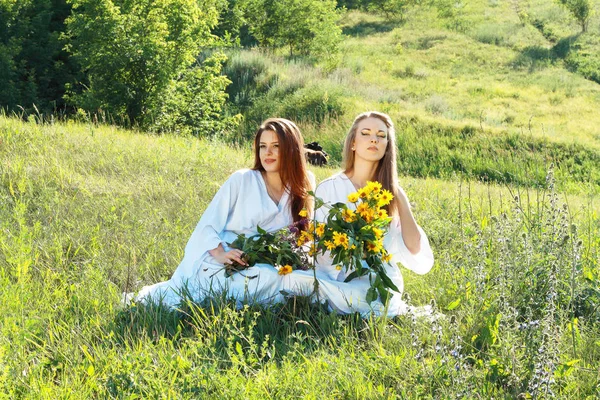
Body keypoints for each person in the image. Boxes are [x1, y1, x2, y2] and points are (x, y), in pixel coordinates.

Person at [134, 118, 315, 308]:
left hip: (271, 261)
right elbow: (207, 225)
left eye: (276, 145)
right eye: (262, 146)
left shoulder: (305, 183)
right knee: (268, 278)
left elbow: (307, 233)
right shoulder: (242, 180)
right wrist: (220, 254)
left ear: (291, 149)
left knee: (302, 278)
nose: (267, 153)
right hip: (227, 261)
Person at [284, 111, 434, 316]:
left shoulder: (391, 194)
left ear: (387, 146)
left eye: (381, 136)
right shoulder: (330, 188)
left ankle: (364, 304)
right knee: (290, 281)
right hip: (337, 278)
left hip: (377, 283)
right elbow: (321, 255)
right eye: (366, 133)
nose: (374, 138)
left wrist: (399, 197)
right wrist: (349, 248)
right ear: (353, 143)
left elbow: (415, 248)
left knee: (368, 297)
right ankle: (348, 302)